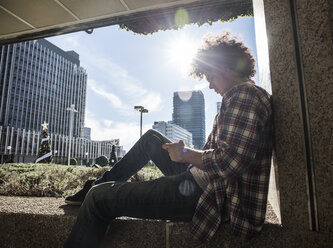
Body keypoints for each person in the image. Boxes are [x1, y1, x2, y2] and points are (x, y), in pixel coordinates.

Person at [64, 31, 274, 247]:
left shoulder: (244, 96)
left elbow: (229, 163)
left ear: (225, 67)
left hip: (207, 195)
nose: (210, 85)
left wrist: (185, 154)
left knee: (98, 198)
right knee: (152, 139)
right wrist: (186, 154)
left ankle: (95, 191)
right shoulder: (244, 95)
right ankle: (99, 184)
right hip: (201, 181)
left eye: (210, 76)